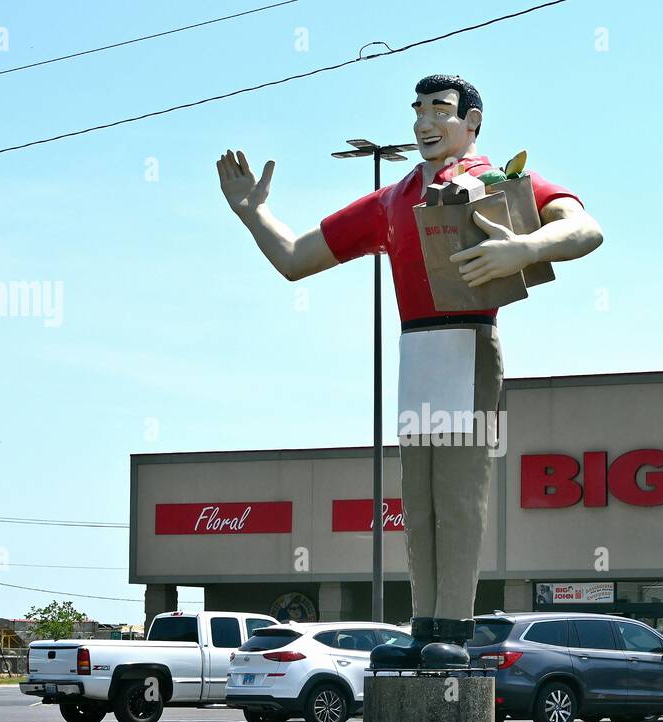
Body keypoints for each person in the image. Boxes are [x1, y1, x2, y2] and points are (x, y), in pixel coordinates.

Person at [217, 74, 602, 665]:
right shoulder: (394, 197)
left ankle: (456, 626)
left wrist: (522, 249)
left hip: (470, 344)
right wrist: (253, 213)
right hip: (415, 351)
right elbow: (295, 258)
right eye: (418, 109)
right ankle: (426, 628)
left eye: (440, 110)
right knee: (417, 503)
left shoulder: (496, 184)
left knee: (460, 495)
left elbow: (584, 228)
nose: (425, 121)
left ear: (472, 123)